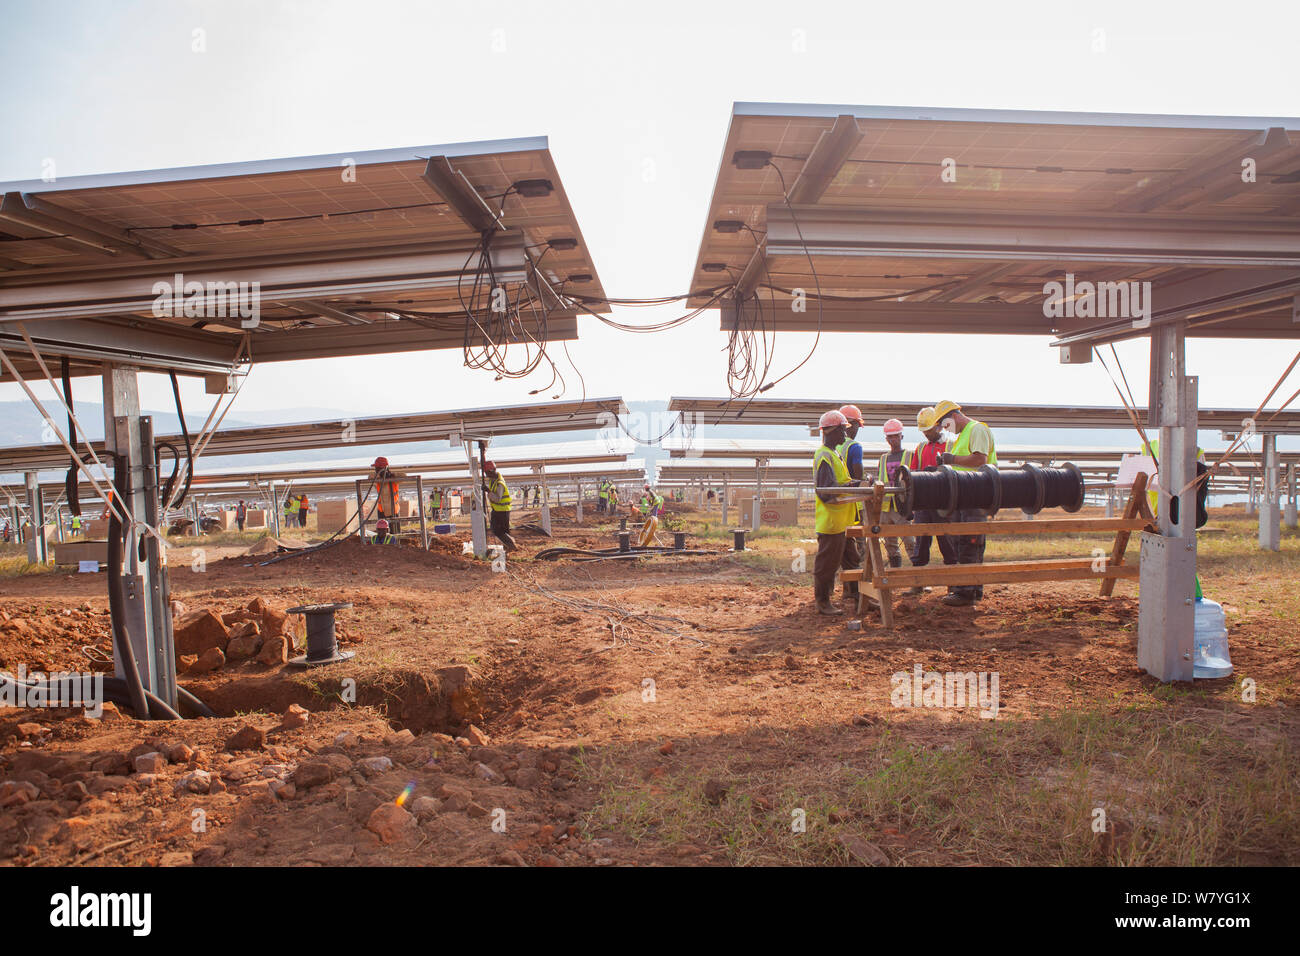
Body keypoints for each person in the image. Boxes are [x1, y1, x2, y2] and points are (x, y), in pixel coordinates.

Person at [935, 400, 997, 607]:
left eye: (945, 425)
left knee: (970, 540)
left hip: (977, 494)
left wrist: (952, 459)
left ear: (952, 417)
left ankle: (966, 592)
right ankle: (970, 589)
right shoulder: (963, 435)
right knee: (964, 541)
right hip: (965, 496)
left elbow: (980, 459)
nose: (946, 430)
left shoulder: (977, 429)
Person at [813, 410, 862, 615]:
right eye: (842, 431)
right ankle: (823, 602)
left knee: (852, 561)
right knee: (827, 565)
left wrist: (853, 484)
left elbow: (838, 483)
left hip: (842, 522)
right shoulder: (824, 455)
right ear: (831, 431)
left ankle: (856, 594)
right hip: (832, 523)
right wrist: (850, 488)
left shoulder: (835, 453)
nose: (844, 435)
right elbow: (826, 491)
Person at [906, 407, 955, 593]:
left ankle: (953, 586)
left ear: (938, 426)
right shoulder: (920, 449)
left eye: (929, 429)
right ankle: (917, 584)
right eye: (923, 431)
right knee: (921, 544)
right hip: (924, 505)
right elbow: (912, 474)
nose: (926, 433)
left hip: (944, 504)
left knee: (948, 544)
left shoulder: (951, 446)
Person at [836, 404, 868, 605]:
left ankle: (847, 589)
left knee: (843, 548)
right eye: (855, 425)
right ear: (849, 425)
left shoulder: (832, 446)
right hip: (853, 505)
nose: (856, 430)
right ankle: (856, 591)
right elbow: (858, 476)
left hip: (837, 504)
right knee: (858, 549)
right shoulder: (853, 447)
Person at [877, 418, 916, 571]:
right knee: (890, 542)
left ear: (901, 436)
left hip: (904, 506)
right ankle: (895, 574)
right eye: (890, 436)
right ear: (886, 439)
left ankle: (918, 578)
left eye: (896, 436)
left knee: (909, 540)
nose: (893, 439)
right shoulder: (883, 458)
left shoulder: (910, 455)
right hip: (887, 507)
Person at [481, 460, 518, 552]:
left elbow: (497, 498)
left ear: (491, 471)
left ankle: (511, 545)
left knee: (498, 530)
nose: (486, 475)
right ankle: (508, 546)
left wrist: (488, 491)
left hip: (502, 510)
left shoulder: (499, 483)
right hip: (498, 509)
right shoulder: (493, 480)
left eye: (487, 472)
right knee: (502, 530)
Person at [372, 457, 403, 533]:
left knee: (395, 533)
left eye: (376, 467)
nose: (375, 469)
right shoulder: (377, 479)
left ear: (382, 467)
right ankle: (384, 545)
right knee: (382, 533)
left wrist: (393, 475)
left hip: (393, 510)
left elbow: (404, 476)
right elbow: (370, 478)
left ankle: (395, 544)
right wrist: (381, 476)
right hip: (382, 511)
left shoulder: (393, 479)